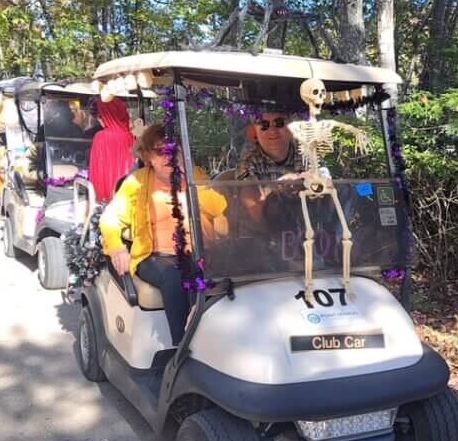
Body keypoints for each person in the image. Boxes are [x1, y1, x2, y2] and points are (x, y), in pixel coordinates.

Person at [99, 125, 227, 346]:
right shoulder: (136, 183)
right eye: (160, 151)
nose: (168, 156)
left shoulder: (194, 175)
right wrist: (117, 247)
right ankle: (182, 345)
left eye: (172, 149)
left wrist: (190, 183)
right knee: (174, 276)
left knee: (220, 272)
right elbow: (110, 218)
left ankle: (214, 340)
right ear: (148, 156)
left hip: (195, 252)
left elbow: (218, 207)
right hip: (155, 256)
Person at [88, 97, 135, 203]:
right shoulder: (131, 136)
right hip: (128, 196)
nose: (100, 120)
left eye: (100, 116)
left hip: (107, 199)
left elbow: (97, 171)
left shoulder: (100, 137)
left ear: (107, 115)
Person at [234, 110, 303, 180]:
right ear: (254, 130)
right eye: (264, 125)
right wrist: (281, 186)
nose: (272, 131)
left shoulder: (307, 151)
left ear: (291, 124)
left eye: (279, 122)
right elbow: (247, 189)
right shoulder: (249, 160)